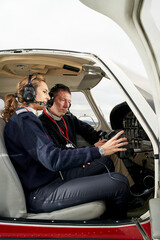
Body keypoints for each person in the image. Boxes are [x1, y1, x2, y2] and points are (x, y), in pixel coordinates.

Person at [2, 74, 129, 219]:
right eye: (44, 92)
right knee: (120, 182)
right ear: (29, 93)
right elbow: (53, 159)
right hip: (41, 192)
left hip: (52, 177)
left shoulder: (27, 118)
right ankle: (115, 229)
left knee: (106, 162)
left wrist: (96, 152)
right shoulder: (25, 121)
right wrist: (99, 150)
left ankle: (108, 206)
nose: (48, 97)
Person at [39, 84, 134, 187]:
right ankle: (124, 190)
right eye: (62, 100)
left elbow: (88, 131)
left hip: (77, 159)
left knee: (114, 151)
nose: (66, 106)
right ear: (50, 100)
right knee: (107, 160)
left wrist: (103, 138)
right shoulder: (42, 124)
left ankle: (129, 188)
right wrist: (93, 149)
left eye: (69, 102)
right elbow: (59, 155)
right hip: (64, 170)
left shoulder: (69, 118)